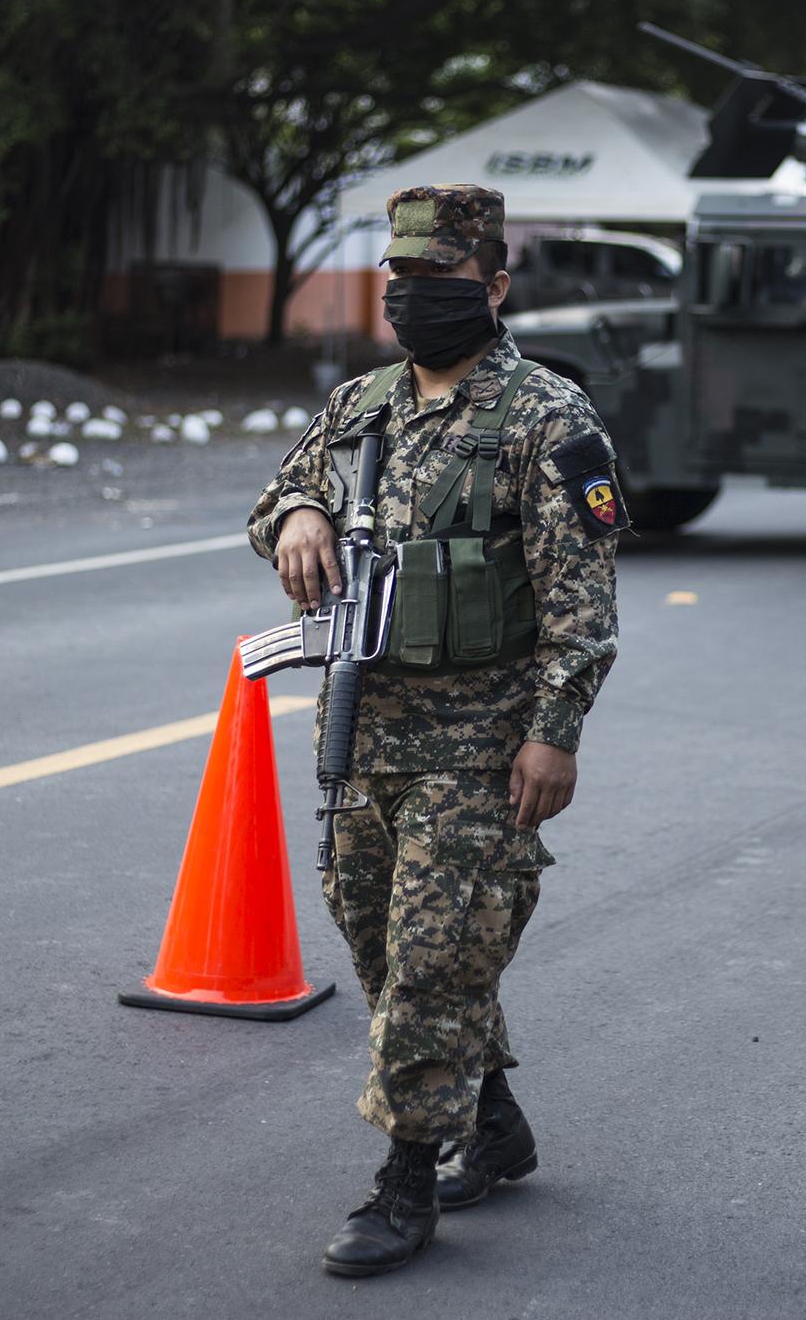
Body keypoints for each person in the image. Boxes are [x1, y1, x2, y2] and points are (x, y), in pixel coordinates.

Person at [245, 183, 624, 1278]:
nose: (416, 299)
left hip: (479, 746)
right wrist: (303, 512)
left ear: (494, 287)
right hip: (361, 733)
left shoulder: (547, 417)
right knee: (384, 943)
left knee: (427, 963)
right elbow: (272, 501)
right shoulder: (359, 406)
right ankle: (492, 1120)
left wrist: (553, 733)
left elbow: (582, 605)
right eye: (401, 279)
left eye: (442, 282)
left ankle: (405, 1183)